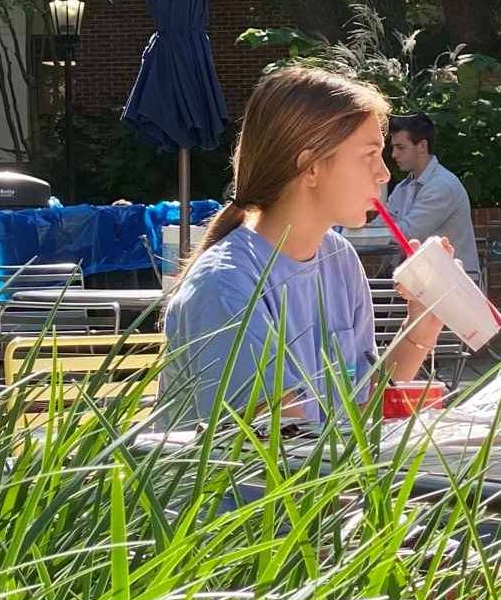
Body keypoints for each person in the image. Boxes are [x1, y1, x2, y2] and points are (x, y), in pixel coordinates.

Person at [163, 67, 452, 426]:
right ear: (310, 167)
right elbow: (285, 454)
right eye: (369, 154)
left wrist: (423, 322)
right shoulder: (226, 285)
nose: (384, 173)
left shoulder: (339, 258)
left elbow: (360, 409)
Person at [384, 113, 482, 288]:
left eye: (400, 147)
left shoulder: (442, 186)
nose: (393, 154)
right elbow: (384, 225)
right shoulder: (403, 187)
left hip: (454, 288)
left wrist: (361, 234)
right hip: (420, 283)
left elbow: (407, 233)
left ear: (422, 145)